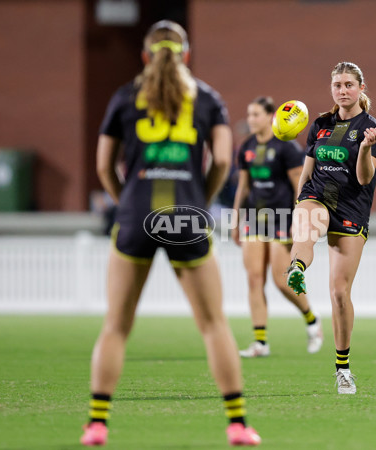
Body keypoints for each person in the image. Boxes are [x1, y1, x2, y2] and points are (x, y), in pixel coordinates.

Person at [80, 21, 260, 447]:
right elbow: (222, 160)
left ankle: (97, 425)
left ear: (145, 56)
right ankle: (236, 425)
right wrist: (201, 196)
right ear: (186, 55)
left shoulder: (125, 96)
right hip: (187, 215)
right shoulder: (207, 98)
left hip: (136, 212)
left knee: (116, 327)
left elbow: (104, 165)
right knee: (214, 324)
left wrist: (128, 202)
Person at [285, 62, 376, 394]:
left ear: (360, 88)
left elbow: (364, 178)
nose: (342, 91)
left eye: (348, 85)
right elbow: (307, 169)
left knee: (339, 293)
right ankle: (297, 266)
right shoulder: (320, 125)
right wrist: (299, 200)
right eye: (337, 85)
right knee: (308, 226)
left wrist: (367, 148)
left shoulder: (371, 128)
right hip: (318, 195)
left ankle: (342, 368)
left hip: (351, 206)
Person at [232, 96, 324, 358]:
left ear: (271, 117)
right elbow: (243, 186)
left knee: (281, 281)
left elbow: (300, 184)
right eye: (249, 114)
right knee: (254, 279)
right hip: (253, 218)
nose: (251, 119)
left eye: (256, 114)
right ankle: (260, 342)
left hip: (282, 218)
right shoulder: (247, 147)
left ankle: (311, 320)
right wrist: (236, 220)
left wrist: (300, 219)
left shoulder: (287, 148)